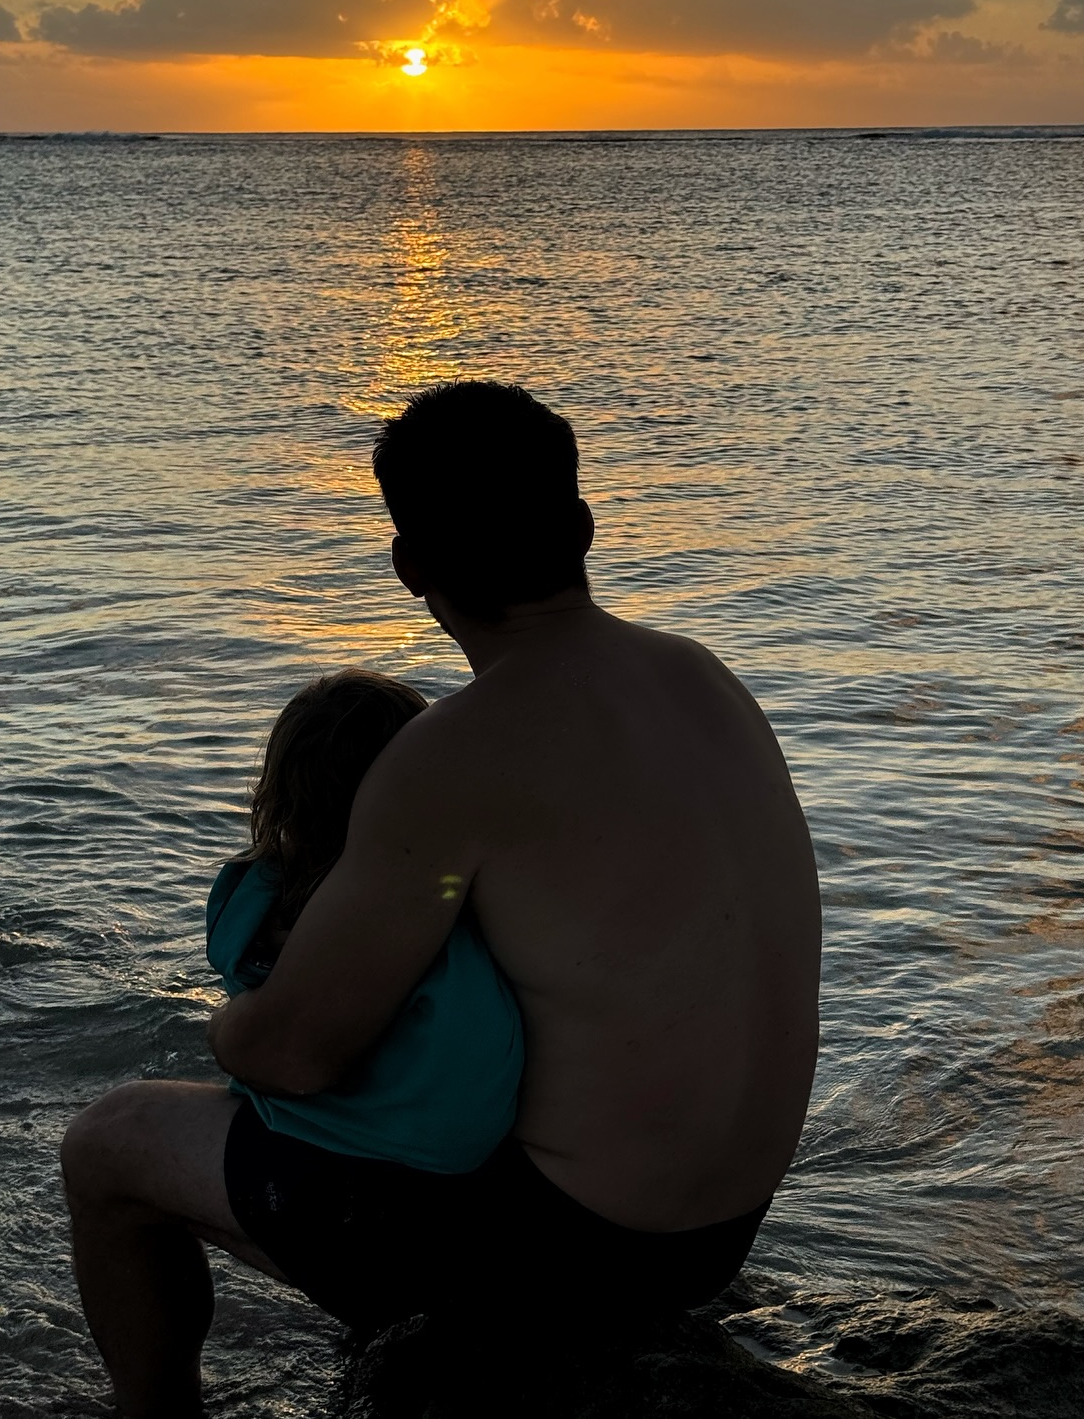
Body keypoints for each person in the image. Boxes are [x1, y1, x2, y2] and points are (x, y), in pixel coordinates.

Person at [61, 380, 822, 1418]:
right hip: (719, 1233)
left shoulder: (455, 753)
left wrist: (230, 1029)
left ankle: (154, 1415)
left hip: (573, 1253)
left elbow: (298, 1051)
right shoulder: (700, 678)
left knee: (112, 1141)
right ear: (585, 527)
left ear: (409, 565)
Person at [207, 669, 524, 1186]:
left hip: (366, 1140)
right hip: (466, 1141)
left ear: (280, 791)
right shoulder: (452, 895)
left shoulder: (256, 895)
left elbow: (235, 967)